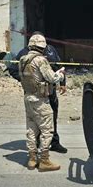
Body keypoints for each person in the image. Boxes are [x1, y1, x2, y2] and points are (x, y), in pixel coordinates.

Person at [9, 32, 68, 153]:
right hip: (36, 94)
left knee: (49, 119)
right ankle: (42, 153)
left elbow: (57, 65)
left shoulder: (50, 50)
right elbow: (12, 69)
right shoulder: (25, 55)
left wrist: (62, 84)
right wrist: (27, 80)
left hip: (48, 92)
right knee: (41, 123)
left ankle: (52, 143)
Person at [19, 34, 65, 171]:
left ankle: (32, 158)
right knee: (47, 130)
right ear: (43, 48)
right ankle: (44, 160)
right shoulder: (40, 60)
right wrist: (61, 74)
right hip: (40, 100)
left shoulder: (23, 59)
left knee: (32, 130)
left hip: (28, 98)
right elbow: (51, 78)